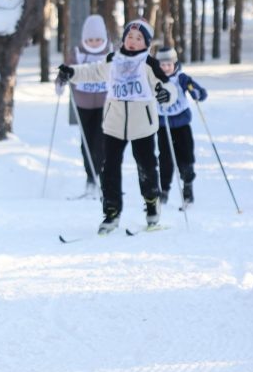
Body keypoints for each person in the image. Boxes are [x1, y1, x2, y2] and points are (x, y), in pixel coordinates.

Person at [57, 20, 177, 234]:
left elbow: (165, 85)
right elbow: (93, 72)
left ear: (146, 43)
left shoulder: (149, 64)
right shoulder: (113, 60)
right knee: (109, 169)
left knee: (147, 167)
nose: (132, 41)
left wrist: (166, 94)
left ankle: (152, 207)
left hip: (143, 125)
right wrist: (71, 72)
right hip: (114, 124)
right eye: (129, 37)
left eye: (138, 39)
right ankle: (111, 213)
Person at [154, 46, 207, 206]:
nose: (166, 68)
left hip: (182, 124)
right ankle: (164, 190)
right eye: (162, 65)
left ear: (175, 63)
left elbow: (200, 92)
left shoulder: (182, 78)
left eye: (169, 64)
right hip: (163, 124)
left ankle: (188, 187)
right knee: (165, 158)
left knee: (186, 156)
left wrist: (197, 93)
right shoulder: (154, 79)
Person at [67, 14, 112, 196]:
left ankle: (101, 177)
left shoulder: (110, 52)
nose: (94, 43)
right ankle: (90, 178)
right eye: (90, 40)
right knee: (86, 141)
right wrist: (61, 79)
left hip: (104, 103)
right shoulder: (77, 53)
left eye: (98, 39)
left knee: (101, 142)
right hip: (83, 103)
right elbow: (67, 70)